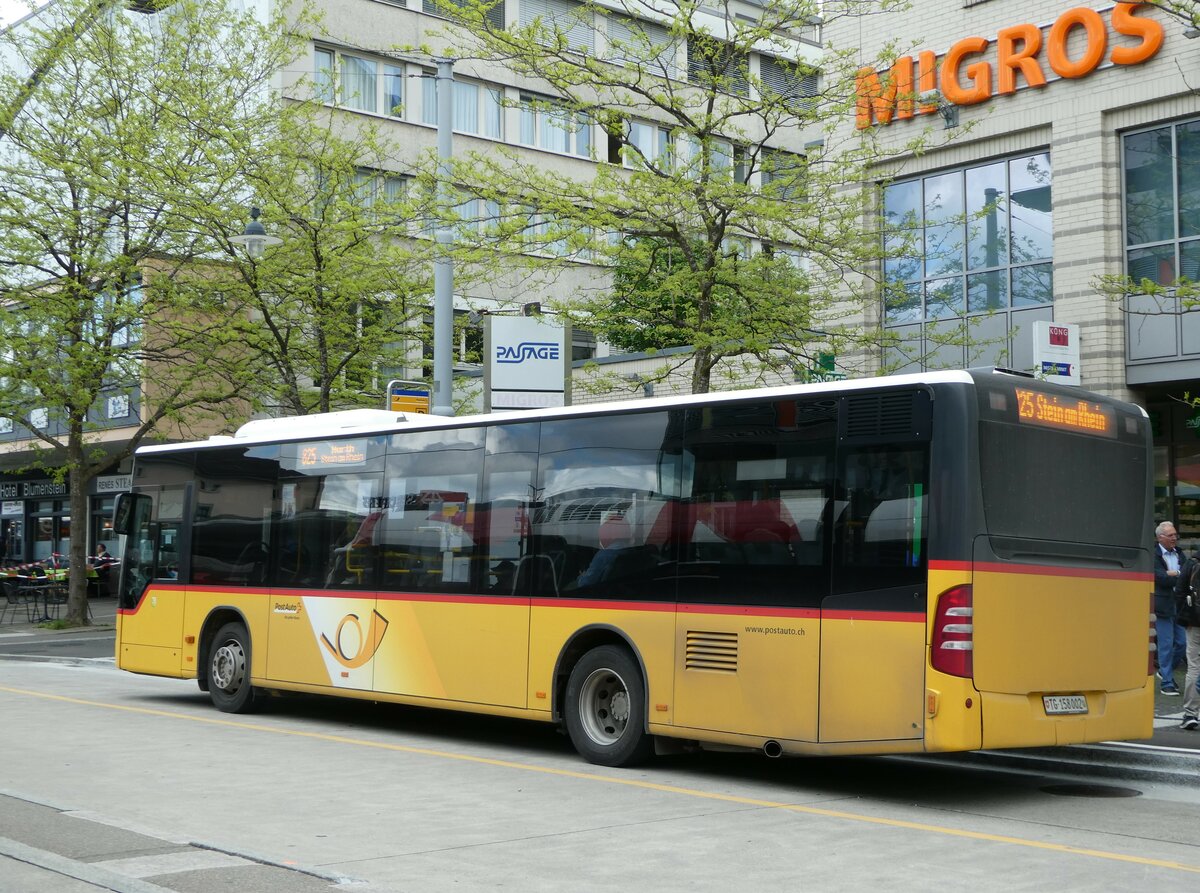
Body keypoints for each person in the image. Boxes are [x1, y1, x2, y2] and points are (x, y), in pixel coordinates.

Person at [1153, 521, 1187, 695]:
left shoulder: (1180, 554)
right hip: (1163, 606)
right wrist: (1177, 575)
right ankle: (1167, 682)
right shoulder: (1154, 555)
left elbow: (1188, 574)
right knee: (1166, 644)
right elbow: (1160, 578)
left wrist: (1175, 574)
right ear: (1160, 537)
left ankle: (1164, 671)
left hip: (1179, 605)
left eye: (1175, 535)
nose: (1175, 538)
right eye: (1171, 535)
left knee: (1182, 643)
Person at [1175, 549, 1200, 729]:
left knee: (1194, 666)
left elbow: (1180, 592)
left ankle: (1191, 713)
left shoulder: (1191, 564)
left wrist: (1185, 618)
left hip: (1195, 622)